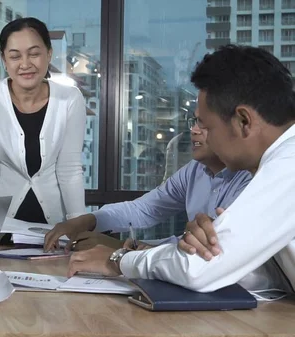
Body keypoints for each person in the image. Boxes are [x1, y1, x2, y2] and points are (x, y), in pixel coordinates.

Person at [66, 44, 295, 294]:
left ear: (243, 121)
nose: (199, 133)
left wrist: (118, 260)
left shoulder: (287, 164)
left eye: (207, 126)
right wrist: (209, 246)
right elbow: (257, 273)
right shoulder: (272, 162)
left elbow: (197, 270)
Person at [44, 115, 252, 252]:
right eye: (193, 121)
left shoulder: (251, 177)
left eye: (204, 123)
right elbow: (145, 209)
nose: (194, 130)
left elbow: (207, 250)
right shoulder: (194, 171)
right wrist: (89, 220)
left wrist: (123, 248)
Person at [0, 17, 87, 245]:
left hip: (54, 229)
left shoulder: (70, 99)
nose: (25, 63)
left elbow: (69, 169)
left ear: (49, 54)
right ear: (4, 59)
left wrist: (78, 227)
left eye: (34, 53)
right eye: (15, 56)